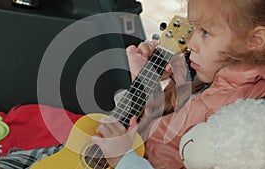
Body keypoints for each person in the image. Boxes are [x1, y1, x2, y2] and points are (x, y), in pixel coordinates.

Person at [91, 0, 265, 168]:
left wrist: (124, 159)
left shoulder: (245, 119)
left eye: (205, 32)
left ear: (255, 40)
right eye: (192, 28)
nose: (190, 44)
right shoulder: (203, 77)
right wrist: (145, 82)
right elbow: (158, 137)